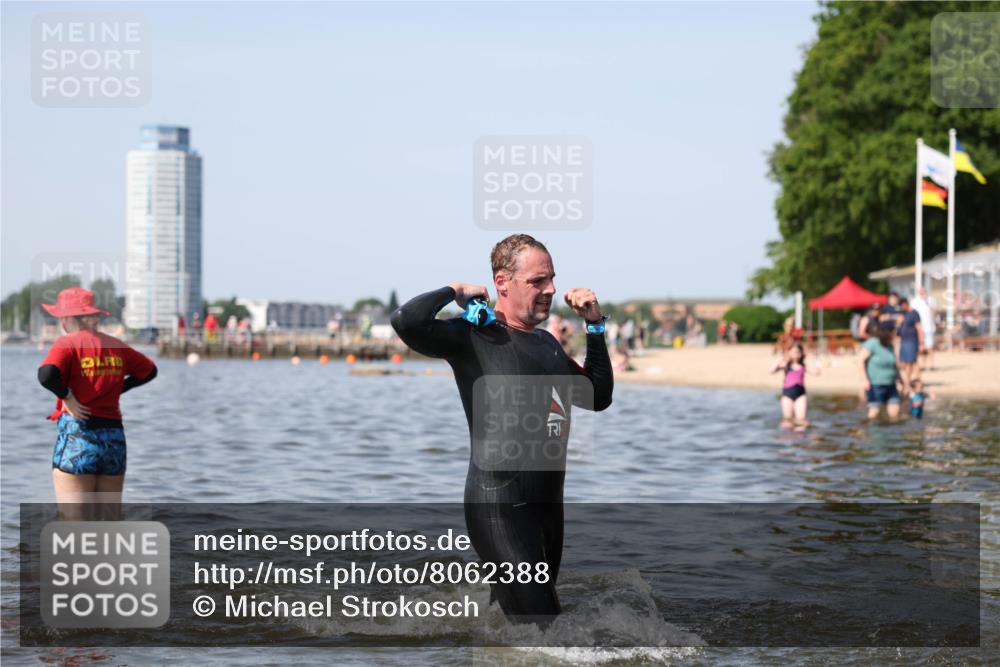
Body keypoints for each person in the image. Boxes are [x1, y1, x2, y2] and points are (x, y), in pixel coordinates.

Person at [390, 234, 613, 627]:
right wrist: (454, 290)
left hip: (549, 510)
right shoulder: (473, 337)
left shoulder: (547, 345)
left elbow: (597, 395)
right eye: (537, 281)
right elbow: (406, 320)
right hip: (499, 507)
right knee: (547, 629)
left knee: (516, 628)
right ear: (502, 282)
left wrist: (594, 326)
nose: (551, 289)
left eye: (552, 279)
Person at [36, 288, 157, 508]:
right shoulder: (116, 345)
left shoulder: (68, 343)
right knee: (108, 524)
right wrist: (119, 387)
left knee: (73, 526)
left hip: (79, 437)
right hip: (114, 440)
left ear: (67, 318)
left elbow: (46, 375)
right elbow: (149, 371)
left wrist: (67, 396)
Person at [858, 321, 908, 420]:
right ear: (887, 332)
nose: (895, 334)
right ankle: (866, 431)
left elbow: (895, 366)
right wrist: (864, 380)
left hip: (891, 385)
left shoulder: (890, 346)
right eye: (894, 331)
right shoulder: (872, 343)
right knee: (874, 412)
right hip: (875, 385)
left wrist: (901, 381)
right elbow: (860, 361)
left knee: (895, 412)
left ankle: (892, 434)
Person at [771, 343, 819, 429]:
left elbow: (816, 372)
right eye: (793, 352)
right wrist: (781, 359)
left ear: (801, 354)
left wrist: (812, 359)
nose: (795, 354)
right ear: (789, 353)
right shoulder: (785, 365)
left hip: (800, 395)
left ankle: (800, 438)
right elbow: (772, 370)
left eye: (797, 352)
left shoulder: (803, 366)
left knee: (801, 421)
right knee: (787, 421)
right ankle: (789, 438)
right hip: (787, 395)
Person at [896, 297, 923, 386]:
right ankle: (908, 380)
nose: (901, 308)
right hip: (904, 340)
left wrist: (920, 343)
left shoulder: (914, 313)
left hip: (911, 340)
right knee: (905, 362)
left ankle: (917, 381)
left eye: (902, 306)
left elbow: (919, 328)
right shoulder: (903, 314)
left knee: (912, 361)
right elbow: (898, 329)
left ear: (906, 304)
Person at [910, 287, 935, 370]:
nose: (922, 293)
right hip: (919, 327)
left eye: (923, 292)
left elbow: (934, 311)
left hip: (929, 327)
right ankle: (923, 364)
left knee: (930, 346)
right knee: (921, 347)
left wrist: (927, 302)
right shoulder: (915, 301)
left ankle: (931, 364)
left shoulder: (930, 300)